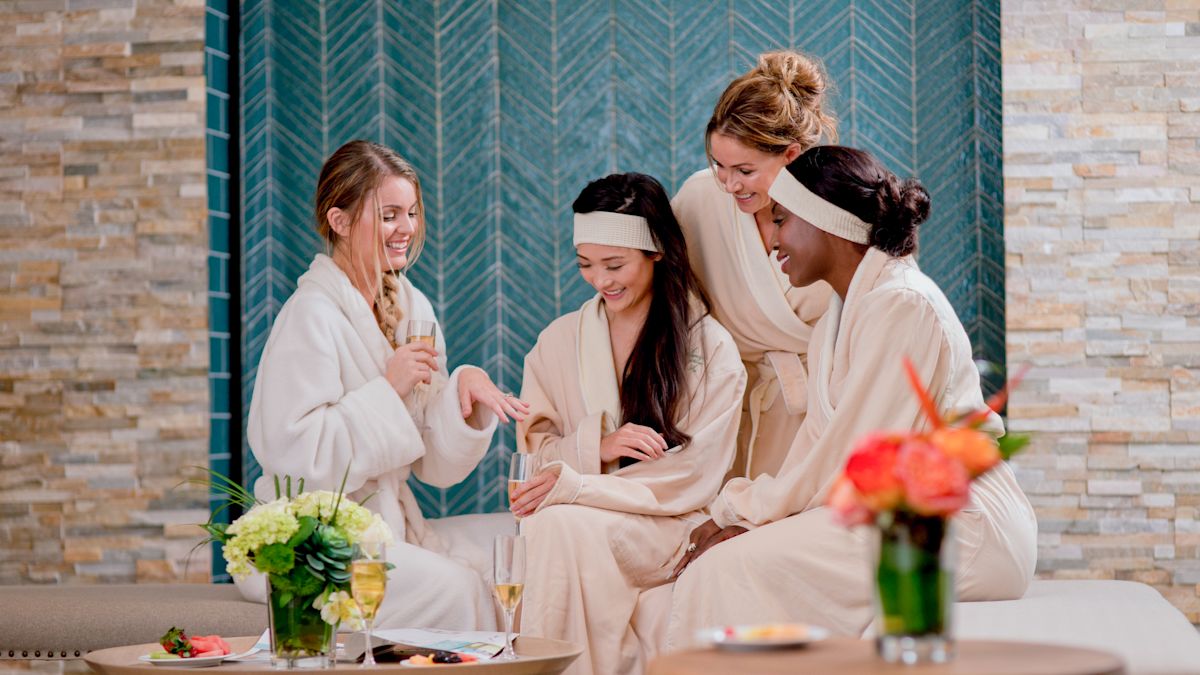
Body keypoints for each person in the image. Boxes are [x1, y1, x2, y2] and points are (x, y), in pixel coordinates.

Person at [667, 146, 1038, 644]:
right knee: (730, 561)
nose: (773, 239)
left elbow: (854, 454)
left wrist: (741, 512)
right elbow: (815, 449)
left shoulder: (903, 305)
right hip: (899, 514)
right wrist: (751, 514)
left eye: (781, 220)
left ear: (826, 222)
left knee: (726, 569)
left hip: (962, 524)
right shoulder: (836, 322)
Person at [238, 139, 530, 631]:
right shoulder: (310, 315)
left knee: (527, 544)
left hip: (388, 524)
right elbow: (296, 463)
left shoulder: (412, 308)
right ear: (340, 220)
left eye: (412, 212)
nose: (407, 229)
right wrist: (387, 390)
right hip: (310, 540)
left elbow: (432, 466)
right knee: (457, 588)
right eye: (390, 214)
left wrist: (463, 398)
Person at [510, 173, 747, 675]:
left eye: (615, 264)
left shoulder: (709, 349)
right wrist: (594, 448)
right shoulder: (558, 342)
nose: (601, 281)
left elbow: (694, 475)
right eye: (586, 265)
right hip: (584, 513)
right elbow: (534, 455)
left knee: (559, 523)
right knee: (554, 523)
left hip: (667, 524)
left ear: (657, 252)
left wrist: (577, 487)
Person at [672, 50, 836, 482]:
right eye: (719, 166)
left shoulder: (840, 214)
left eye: (745, 170)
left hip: (822, 416)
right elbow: (664, 303)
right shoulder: (698, 202)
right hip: (725, 412)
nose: (729, 184)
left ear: (791, 153)